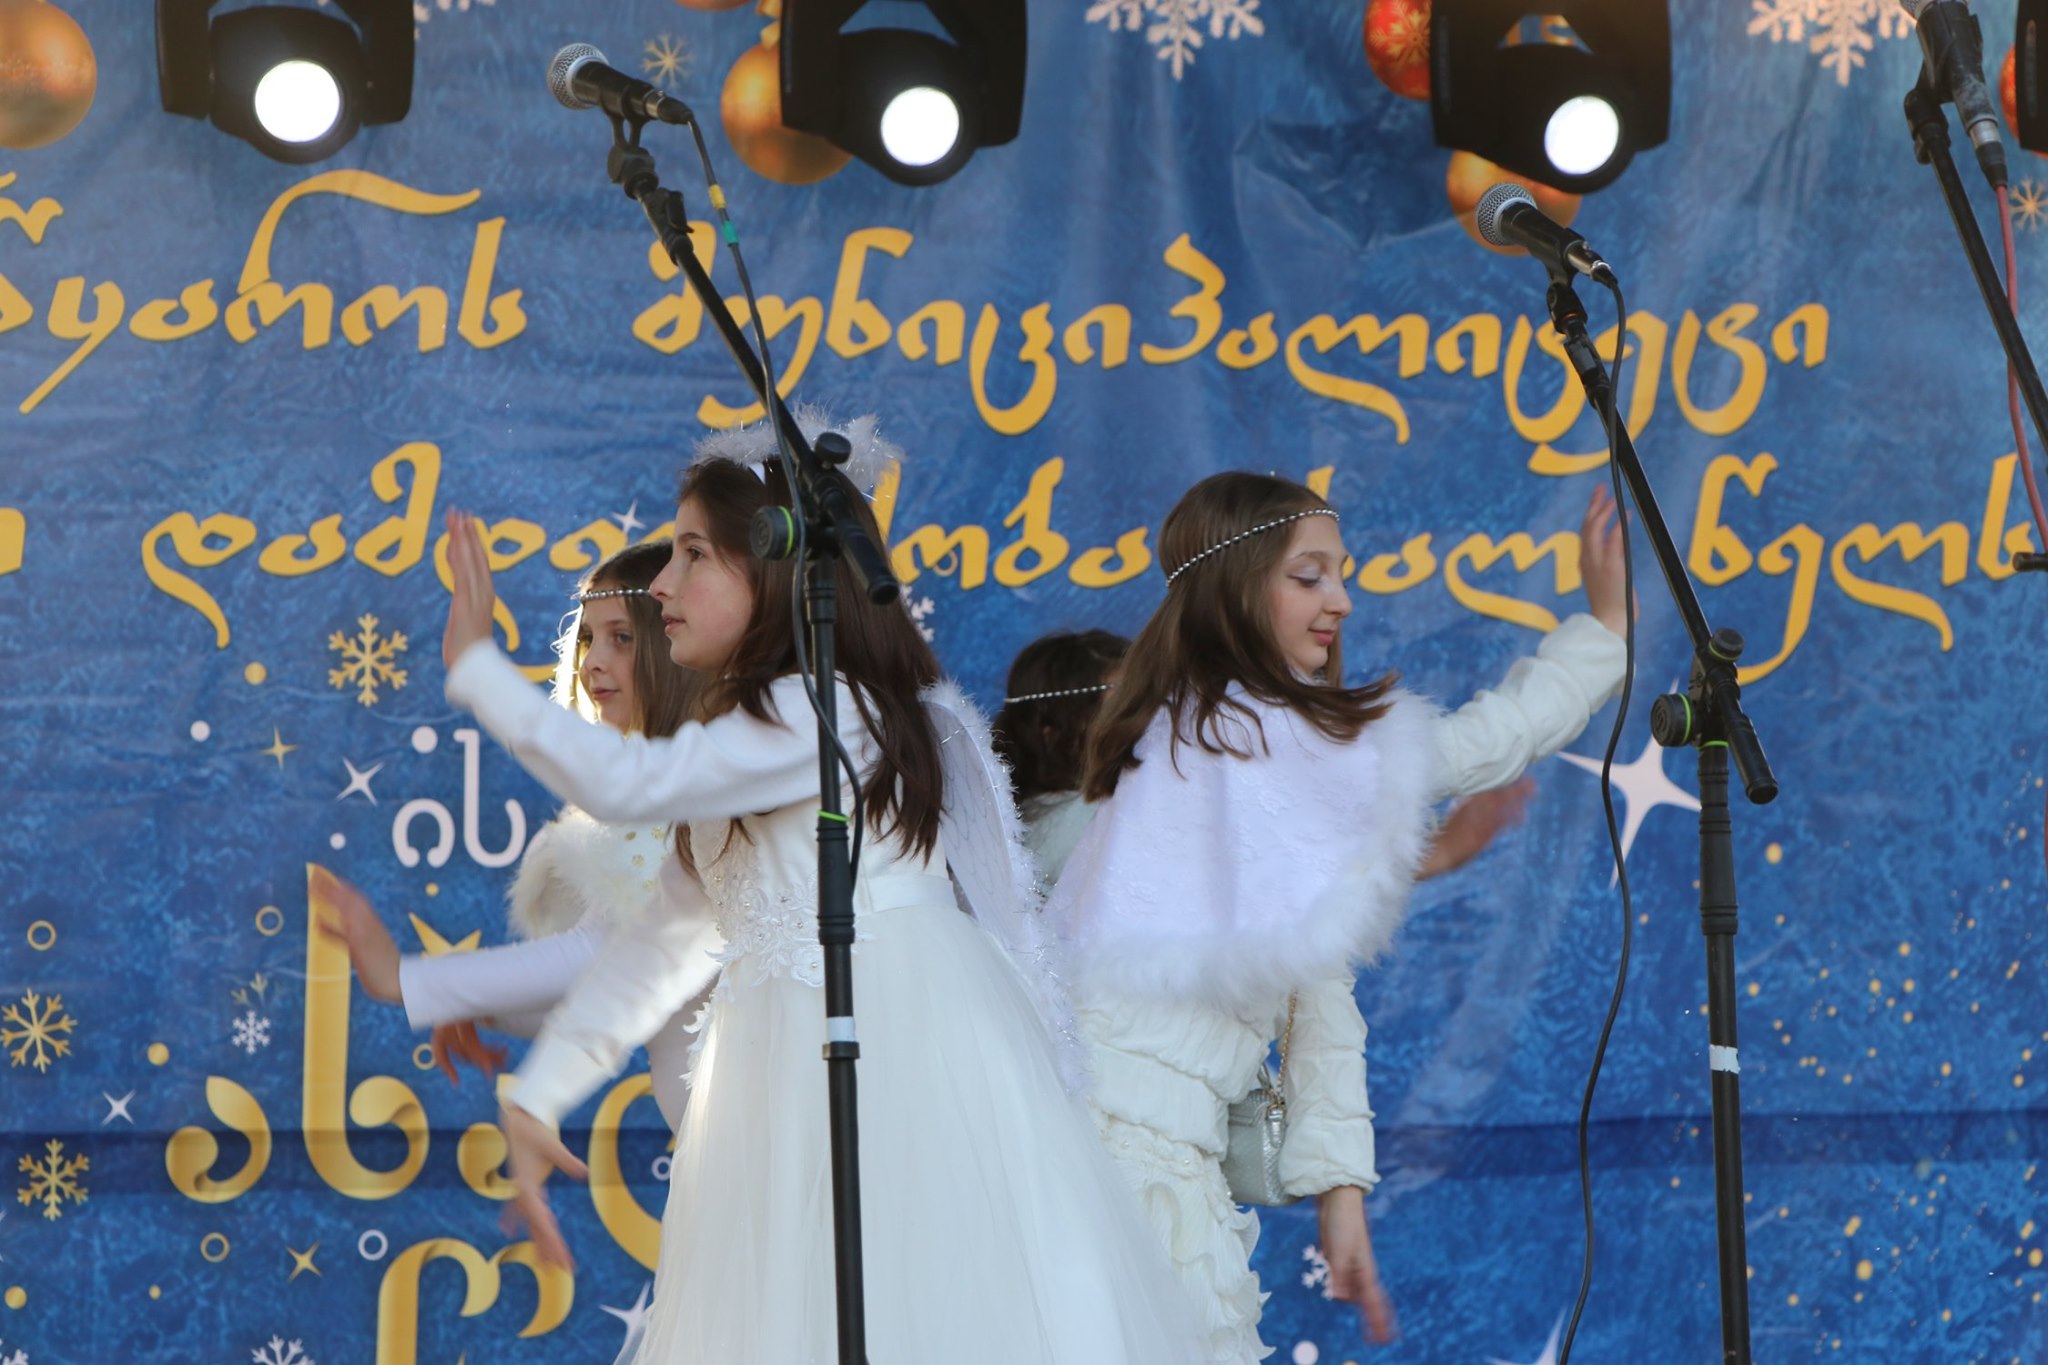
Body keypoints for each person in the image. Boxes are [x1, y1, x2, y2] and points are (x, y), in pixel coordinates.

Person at [437, 414, 1205, 1364]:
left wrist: (480, 670)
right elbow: (652, 951)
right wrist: (539, 1093)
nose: (664, 584)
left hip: (893, 1054)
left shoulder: (829, 705)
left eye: (692, 555)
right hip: (774, 1076)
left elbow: (627, 784)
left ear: (778, 570)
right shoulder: (742, 747)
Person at [1042, 472, 1631, 1362]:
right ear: (1237, 586)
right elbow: (1483, 742)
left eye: (1342, 574)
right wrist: (1607, 632)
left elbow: (1316, 983)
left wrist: (1340, 1190)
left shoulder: (1215, 737)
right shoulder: (1246, 734)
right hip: (1125, 1157)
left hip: (1135, 1149)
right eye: (1309, 575)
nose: (1342, 600)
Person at [316, 542, 711, 1129]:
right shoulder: (658, 802)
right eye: (588, 639)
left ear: (670, 640)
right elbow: (614, 989)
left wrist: (406, 980)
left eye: (622, 638)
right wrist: (485, 1009)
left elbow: (604, 954)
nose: (594, 662)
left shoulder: (697, 796)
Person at [992, 629, 1536, 886]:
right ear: (1051, 730)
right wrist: (1442, 850)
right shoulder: (1076, 827)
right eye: (1127, 703)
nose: (1152, 717)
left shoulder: (1096, 814)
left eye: (1155, 699)